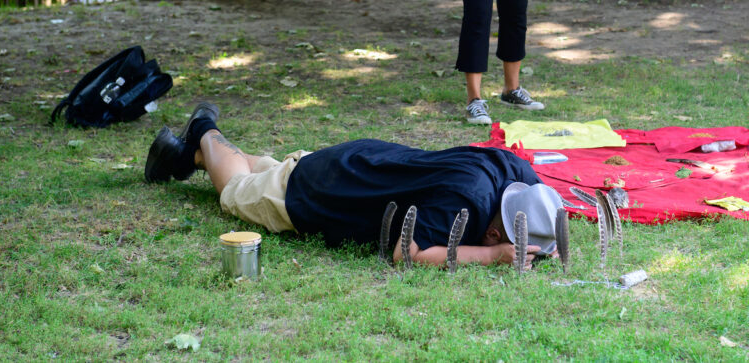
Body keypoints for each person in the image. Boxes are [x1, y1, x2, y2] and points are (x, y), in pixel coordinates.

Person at [144, 102, 563, 269]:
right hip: (319, 193)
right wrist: (491, 256)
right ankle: (204, 130)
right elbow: (407, 253)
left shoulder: (512, 172)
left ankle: (188, 157)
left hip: (363, 162)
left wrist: (549, 238)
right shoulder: (462, 204)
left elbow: (546, 200)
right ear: (495, 231)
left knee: (272, 169)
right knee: (236, 189)